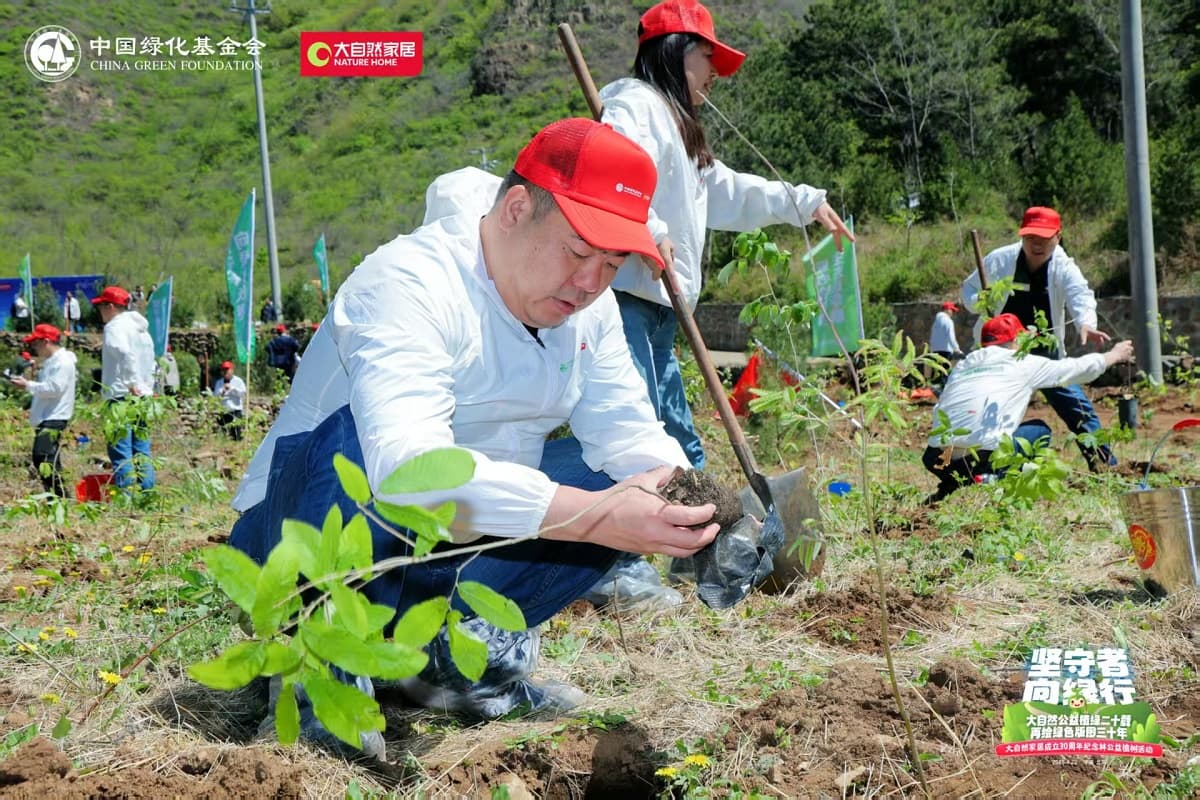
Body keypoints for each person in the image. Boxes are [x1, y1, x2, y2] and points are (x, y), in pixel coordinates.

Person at [228, 118, 727, 755]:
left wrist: (702, 509)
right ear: (516, 209)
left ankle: (450, 667)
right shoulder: (410, 281)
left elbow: (629, 432)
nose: (590, 283)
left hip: (443, 552)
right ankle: (313, 667)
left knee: (633, 480)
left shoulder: (591, 312)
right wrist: (594, 517)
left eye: (612, 264)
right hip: (301, 529)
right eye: (578, 253)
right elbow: (407, 468)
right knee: (362, 443)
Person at [590, 0, 853, 607]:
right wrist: (650, 228)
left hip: (661, 306)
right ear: (678, 52)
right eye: (710, 59)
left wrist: (802, 200)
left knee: (676, 435)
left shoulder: (681, 129)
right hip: (625, 298)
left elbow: (728, 192)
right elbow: (614, 168)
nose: (715, 75)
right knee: (629, 431)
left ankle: (698, 554)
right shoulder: (633, 105)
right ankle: (615, 567)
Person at [962, 206, 1116, 471]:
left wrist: (1086, 323)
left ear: (1058, 237)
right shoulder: (1000, 260)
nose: (1037, 244)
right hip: (1001, 353)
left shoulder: (1064, 266)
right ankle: (976, 465)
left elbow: (1080, 294)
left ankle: (1104, 464)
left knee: (1077, 408)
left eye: (1045, 238)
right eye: (1031, 237)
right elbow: (968, 290)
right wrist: (980, 301)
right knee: (985, 407)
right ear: (1022, 236)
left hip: (1045, 353)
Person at [922, 313, 1134, 502]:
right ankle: (997, 480)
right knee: (1040, 430)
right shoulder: (1022, 362)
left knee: (969, 443)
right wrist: (1114, 355)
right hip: (986, 457)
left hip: (937, 458)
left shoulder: (963, 366)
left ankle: (955, 483)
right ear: (1017, 340)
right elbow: (1075, 369)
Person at [93, 285, 157, 492]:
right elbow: (151, 361)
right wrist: (146, 386)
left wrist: (131, 384)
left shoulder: (114, 327)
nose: (99, 312)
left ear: (110, 307)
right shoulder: (141, 330)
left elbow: (124, 353)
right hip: (143, 397)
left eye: (101, 307)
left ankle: (126, 499)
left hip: (120, 396)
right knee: (142, 451)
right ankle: (147, 495)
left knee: (121, 452)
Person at [10, 324, 77, 497]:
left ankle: (59, 497)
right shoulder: (52, 362)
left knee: (42, 457)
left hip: (55, 416)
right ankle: (57, 498)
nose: (34, 347)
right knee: (48, 459)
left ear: (46, 341)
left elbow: (55, 388)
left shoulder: (62, 362)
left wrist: (27, 385)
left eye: (36, 343)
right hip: (48, 416)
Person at [212, 360, 246, 440]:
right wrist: (222, 391)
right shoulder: (219, 382)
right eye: (224, 370)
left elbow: (243, 393)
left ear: (232, 370)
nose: (225, 372)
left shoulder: (238, 381)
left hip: (235, 411)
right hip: (223, 411)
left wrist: (232, 389)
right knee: (223, 435)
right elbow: (215, 396)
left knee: (236, 435)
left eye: (227, 369)